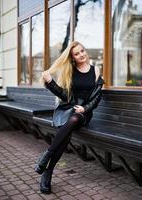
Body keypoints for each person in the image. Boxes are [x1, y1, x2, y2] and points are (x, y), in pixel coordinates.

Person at [35, 41, 104, 194]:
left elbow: (97, 96)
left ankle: (46, 158)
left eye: (82, 51)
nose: (81, 55)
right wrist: (50, 82)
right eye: (77, 54)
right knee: (65, 137)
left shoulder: (96, 70)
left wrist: (85, 108)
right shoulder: (70, 71)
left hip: (84, 112)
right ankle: (47, 172)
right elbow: (65, 96)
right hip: (68, 109)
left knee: (74, 120)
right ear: (72, 57)